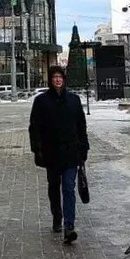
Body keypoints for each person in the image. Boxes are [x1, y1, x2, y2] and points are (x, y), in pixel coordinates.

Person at [28, 65, 89, 244]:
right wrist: (37, 149)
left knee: (68, 189)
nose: (57, 79)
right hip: (51, 154)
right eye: (54, 77)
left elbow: (81, 126)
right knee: (54, 188)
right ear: (50, 80)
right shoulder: (41, 101)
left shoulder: (74, 100)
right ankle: (57, 217)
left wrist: (84, 147)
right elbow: (34, 128)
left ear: (64, 79)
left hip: (71, 153)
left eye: (60, 76)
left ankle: (69, 226)